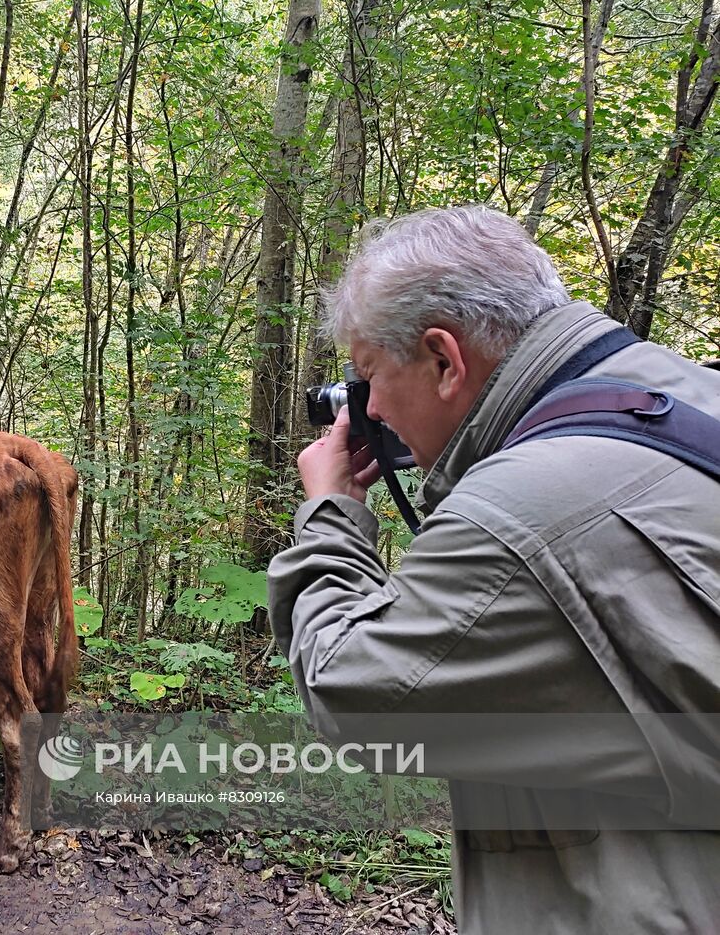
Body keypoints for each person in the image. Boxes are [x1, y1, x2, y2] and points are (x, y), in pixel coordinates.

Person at [266, 205, 720, 933]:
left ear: (445, 360)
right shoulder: (680, 393)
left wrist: (331, 511)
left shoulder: (519, 510)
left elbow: (351, 695)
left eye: (371, 376)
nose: (370, 406)